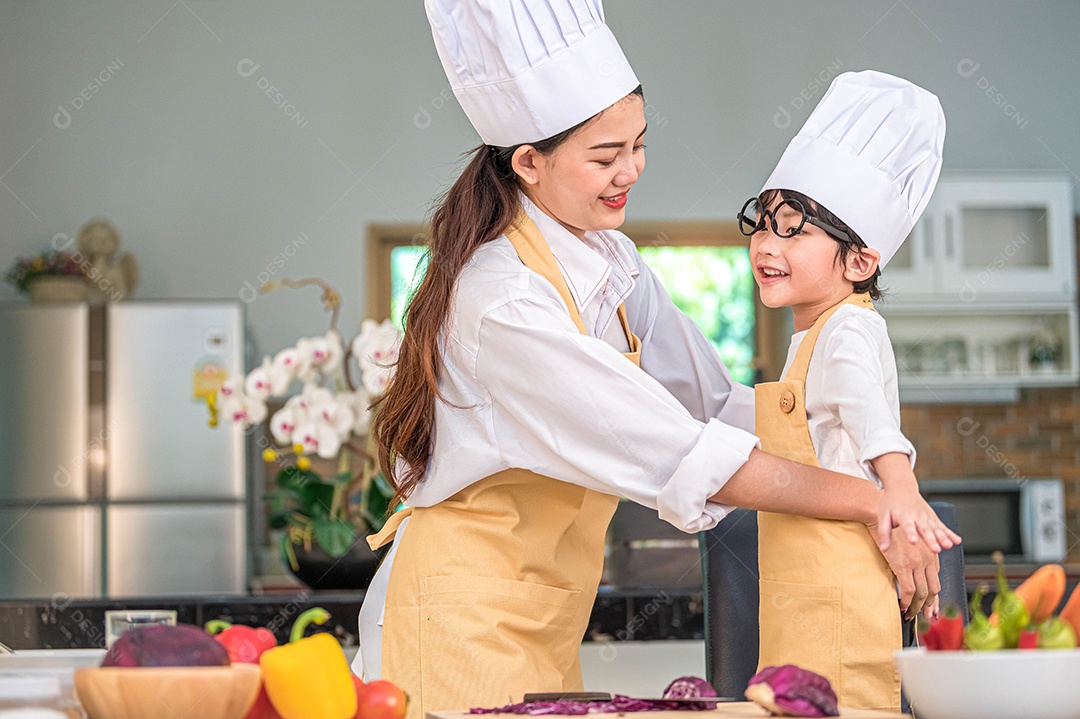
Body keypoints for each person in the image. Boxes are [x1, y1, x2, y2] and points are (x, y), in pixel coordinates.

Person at [355, 5, 953, 717]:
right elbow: (685, 452)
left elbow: (717, 406)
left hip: (536, 618)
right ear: (528, 162)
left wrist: (864, 461)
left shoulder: (614, 264)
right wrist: (877, 503)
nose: (631, 171)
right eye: (605, 157)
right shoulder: (503, 301)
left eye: (638, 144)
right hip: (452, 619)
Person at [740, 70, 955, 712]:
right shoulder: (810, 335)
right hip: (803, 600)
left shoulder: (849, 329)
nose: (765, 245)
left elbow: (869, 415)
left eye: (794, 230)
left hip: (838, 603)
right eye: (762, 222)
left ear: (859, 262)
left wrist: (903, 489)